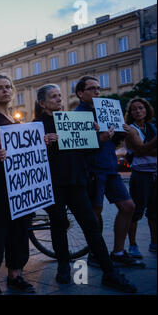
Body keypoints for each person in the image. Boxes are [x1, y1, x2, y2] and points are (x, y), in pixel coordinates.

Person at [33, 83, 137, 293]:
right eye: (53, 96)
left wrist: (100, 138)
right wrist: (41, 142)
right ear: (42, 102)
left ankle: (110, 272)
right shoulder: (35, 125)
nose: (59, 99)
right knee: (58, 224)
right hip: (53, 184)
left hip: (76, 181)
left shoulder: (72, 121)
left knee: (90, 224)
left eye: (60, 95)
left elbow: (87, 149)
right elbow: (30, 154)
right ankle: (63, 266)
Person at [74, 76, 144, 268]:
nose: (98, 91)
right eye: (92, 89)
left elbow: (113, 142)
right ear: (80, 93)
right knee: (95, 213)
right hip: (93, 170)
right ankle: (96, 255)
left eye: (99, 88)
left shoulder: (104, 111)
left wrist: (121, 132)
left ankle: (118, 252)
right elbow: (78, 147)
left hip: (110, 167)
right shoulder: (77, 115)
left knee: (128, 207)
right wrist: (100, 138)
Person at [0, 75, 35, 295]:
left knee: (19, 231)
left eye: (8, 87)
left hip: (18, 187)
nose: (5, 91)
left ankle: (15, 275)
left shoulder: (16, 120)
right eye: (0, 88)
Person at [122, 98, 157, 257]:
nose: (138, 111)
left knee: (154, 212)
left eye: (141, 108)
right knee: (136, 211)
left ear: (146, 110)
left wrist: (141, 151)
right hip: (140, 175)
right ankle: (133, 245)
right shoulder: (130, 129)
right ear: (131, 113)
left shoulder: (152, 127)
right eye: (134, 109)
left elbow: (141, 151)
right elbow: (140, 150)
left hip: (155, 173)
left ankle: (154, 243)